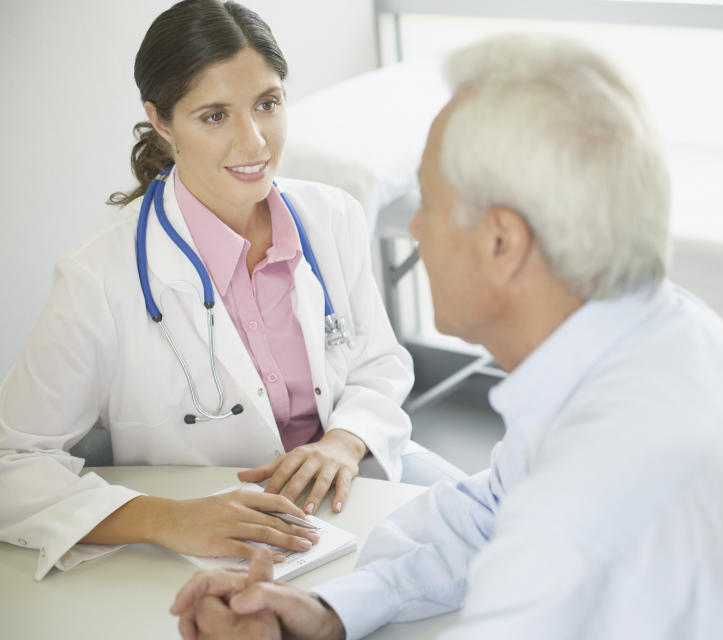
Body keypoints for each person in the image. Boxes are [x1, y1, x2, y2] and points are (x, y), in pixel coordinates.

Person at [172, 33, 723, 639]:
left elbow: (539, 537)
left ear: (502, 241)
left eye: (431, 206)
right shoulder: (652, 335)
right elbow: (493, 509)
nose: (415, 231)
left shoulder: (584, 516)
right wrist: (326, 610)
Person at [0, 0, 463, 582]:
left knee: (502, 541)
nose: (254, 142)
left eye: (267, 104)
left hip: (346, 487)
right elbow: (12, 462)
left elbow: (379, 362)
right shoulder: (98, 278)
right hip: (207, 532)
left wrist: (344, 441)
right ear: (162, 121)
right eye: (215, 116)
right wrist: (165, 518)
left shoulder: (331, 217)